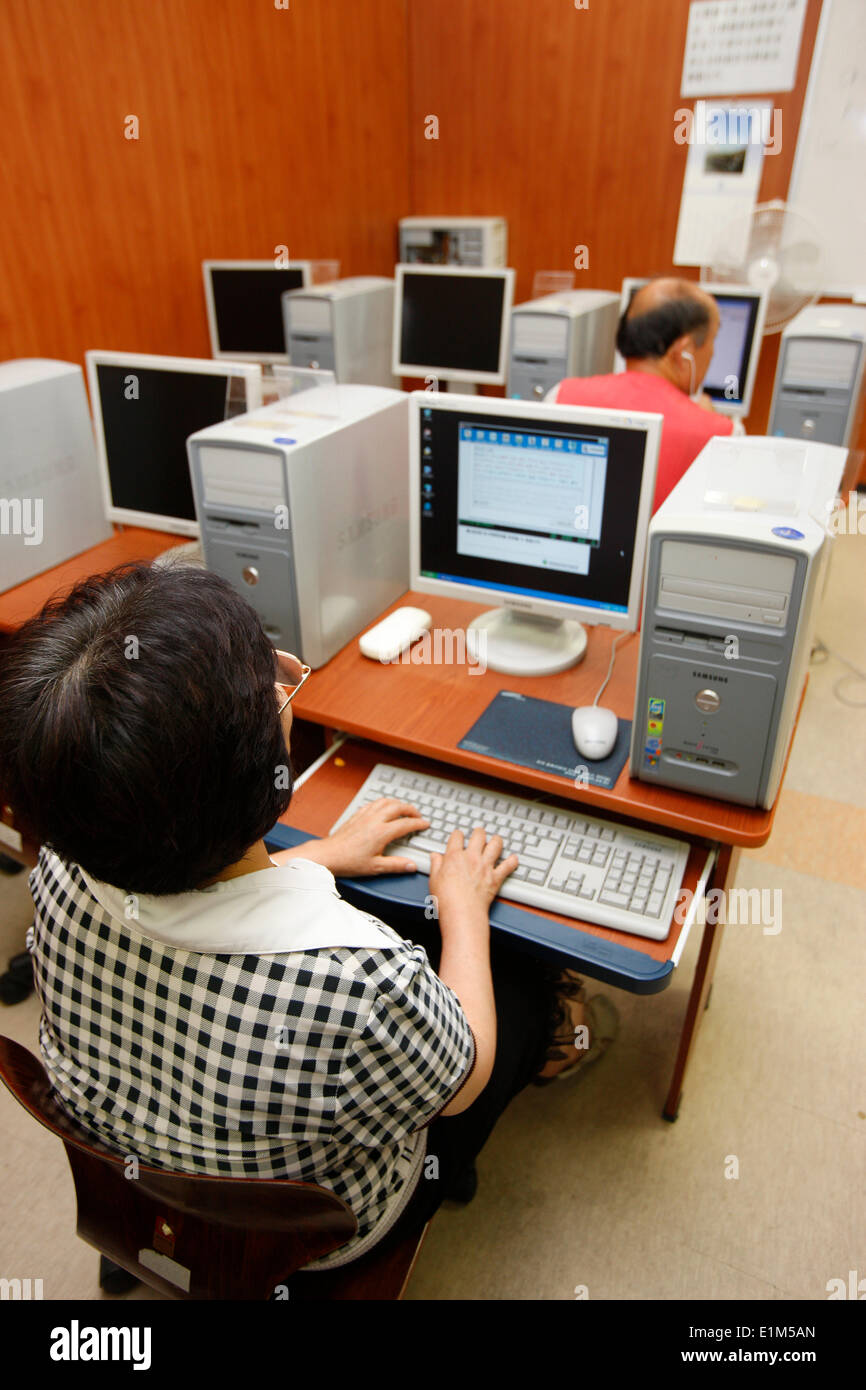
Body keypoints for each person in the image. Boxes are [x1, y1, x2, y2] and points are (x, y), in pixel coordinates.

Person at [0, 563, 617, 1274]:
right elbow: (463, 1076)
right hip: (320, 1232)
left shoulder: (65, 868)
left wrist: (319, 854)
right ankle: (503, 1102)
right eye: (268, 680)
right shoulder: (363, 982)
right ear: (262, 761)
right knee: (519, 978)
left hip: (138, 1158)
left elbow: (191, 898)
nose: (279, 684)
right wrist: (465, 908)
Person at [550, 278, 741, 513]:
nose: (712, 354)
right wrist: (708, 421)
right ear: (684, 351)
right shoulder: (722, 436)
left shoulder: (560, 396)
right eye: (713, 341)